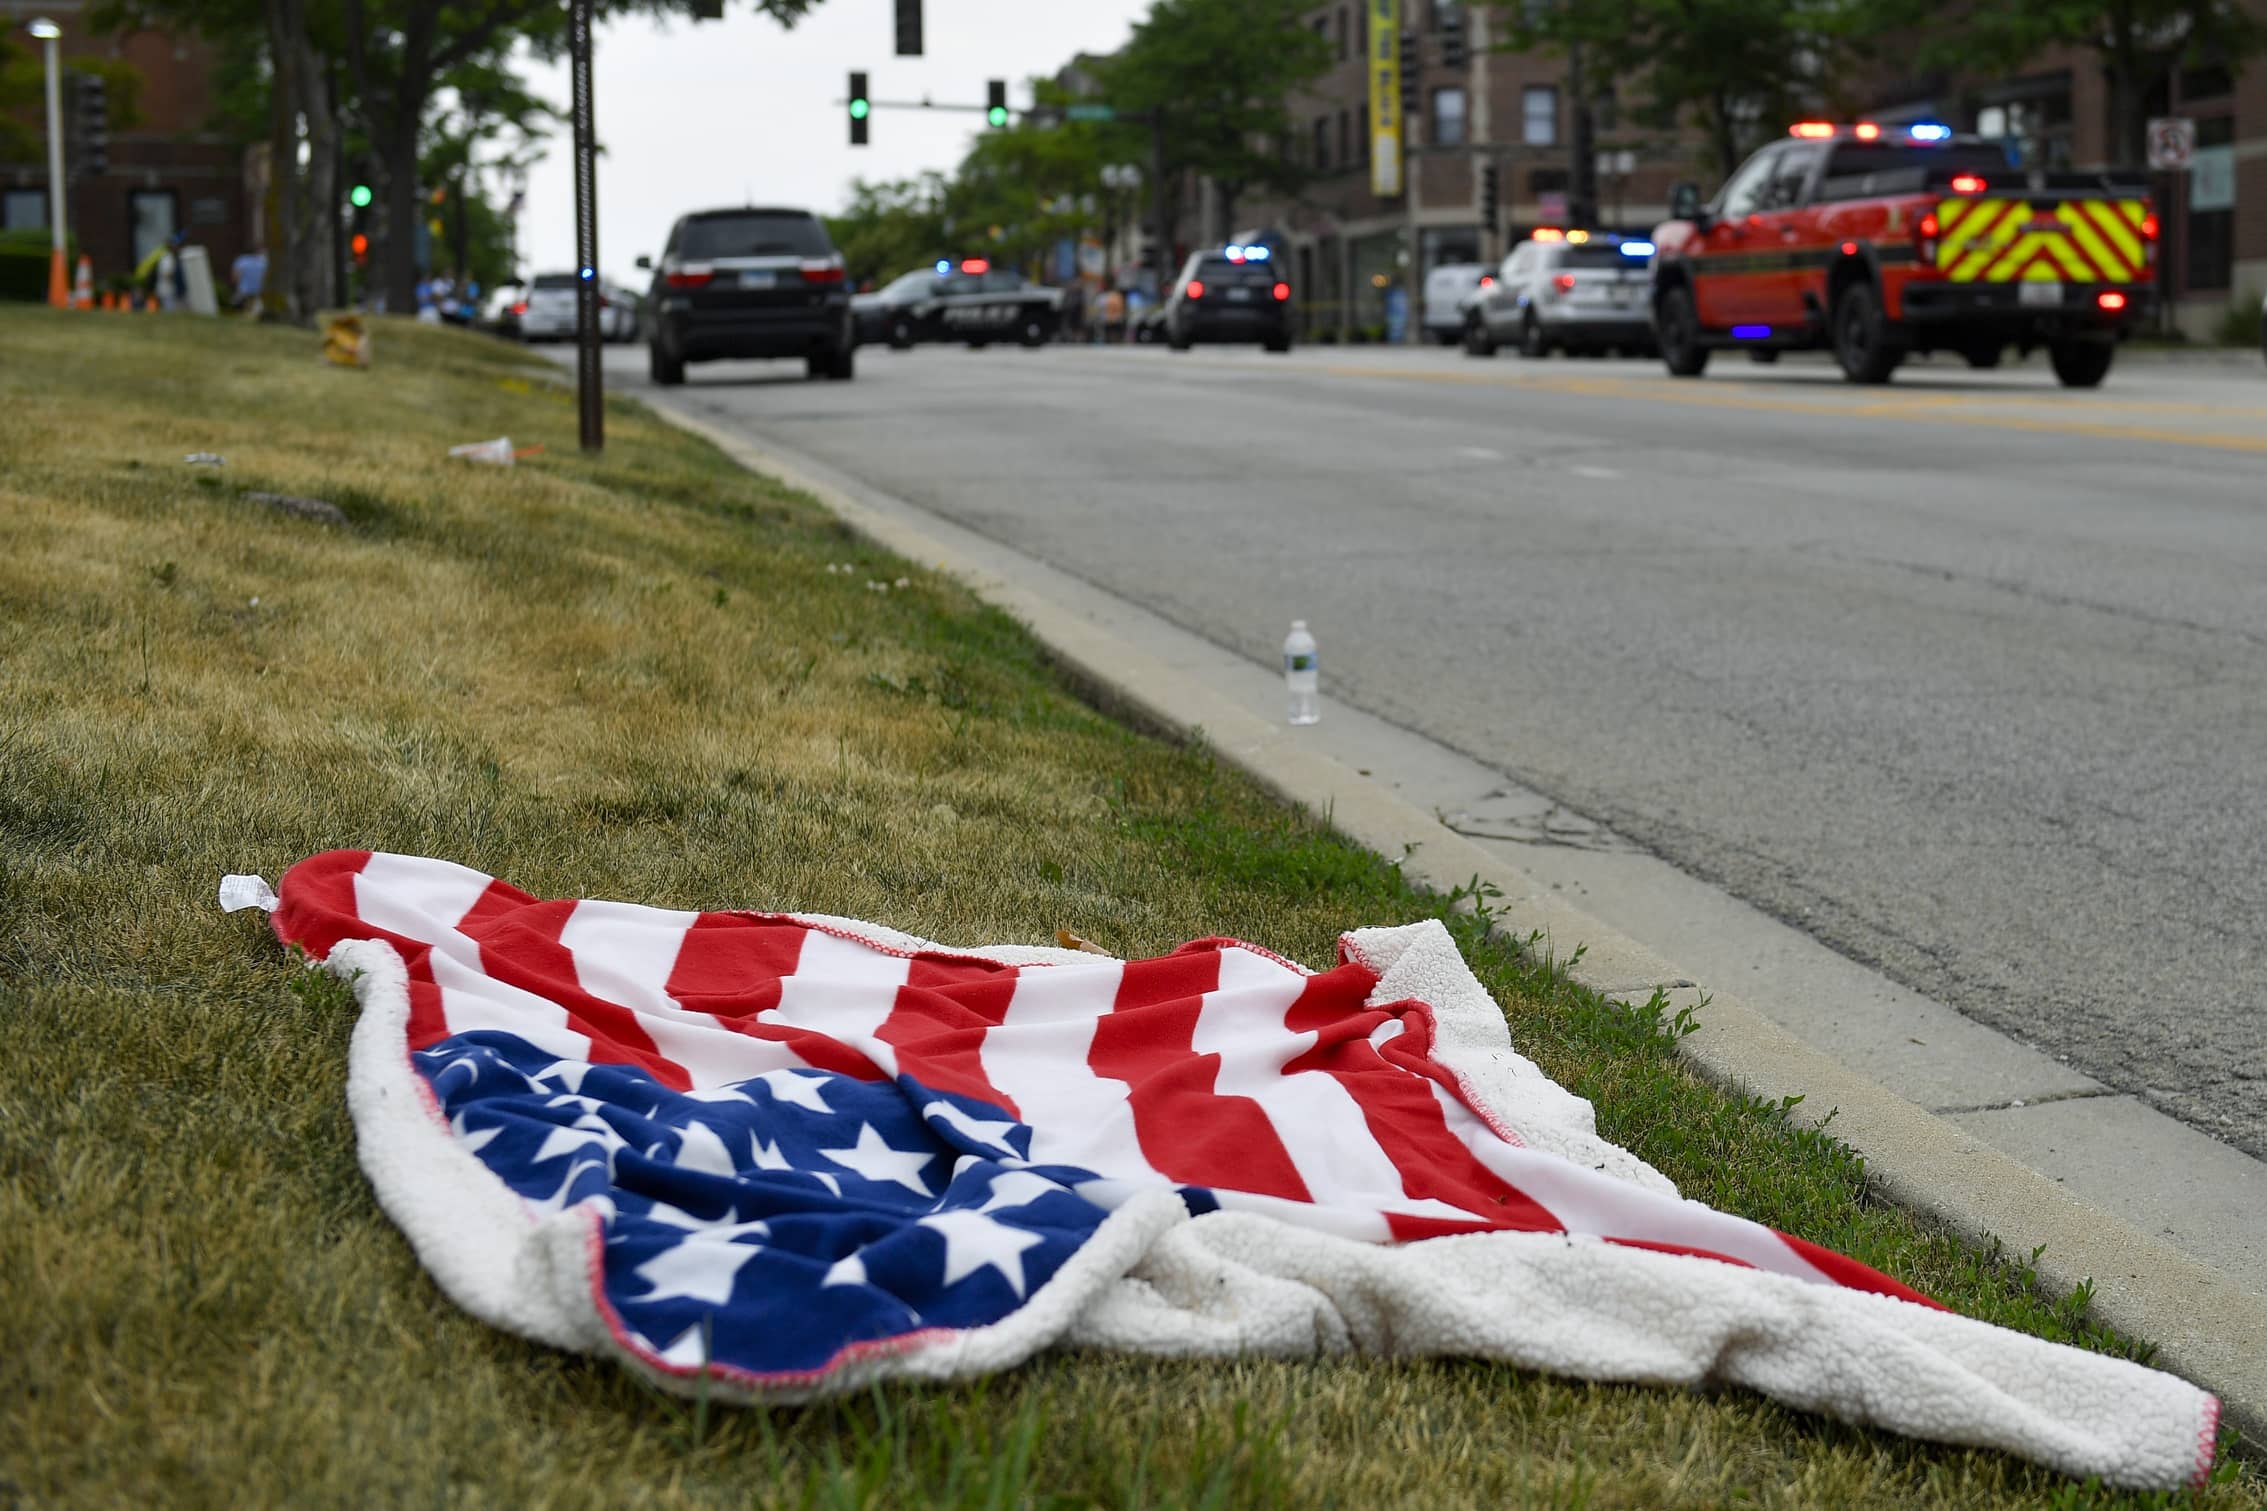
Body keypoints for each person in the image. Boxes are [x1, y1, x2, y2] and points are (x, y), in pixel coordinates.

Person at [230, 247, 267, 314]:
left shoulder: (242, 260)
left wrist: (236, 286)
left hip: (243, 289)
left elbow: (236, 276)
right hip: (259, 290)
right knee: (254, 310)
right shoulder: (264, 262)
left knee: (238, 308)